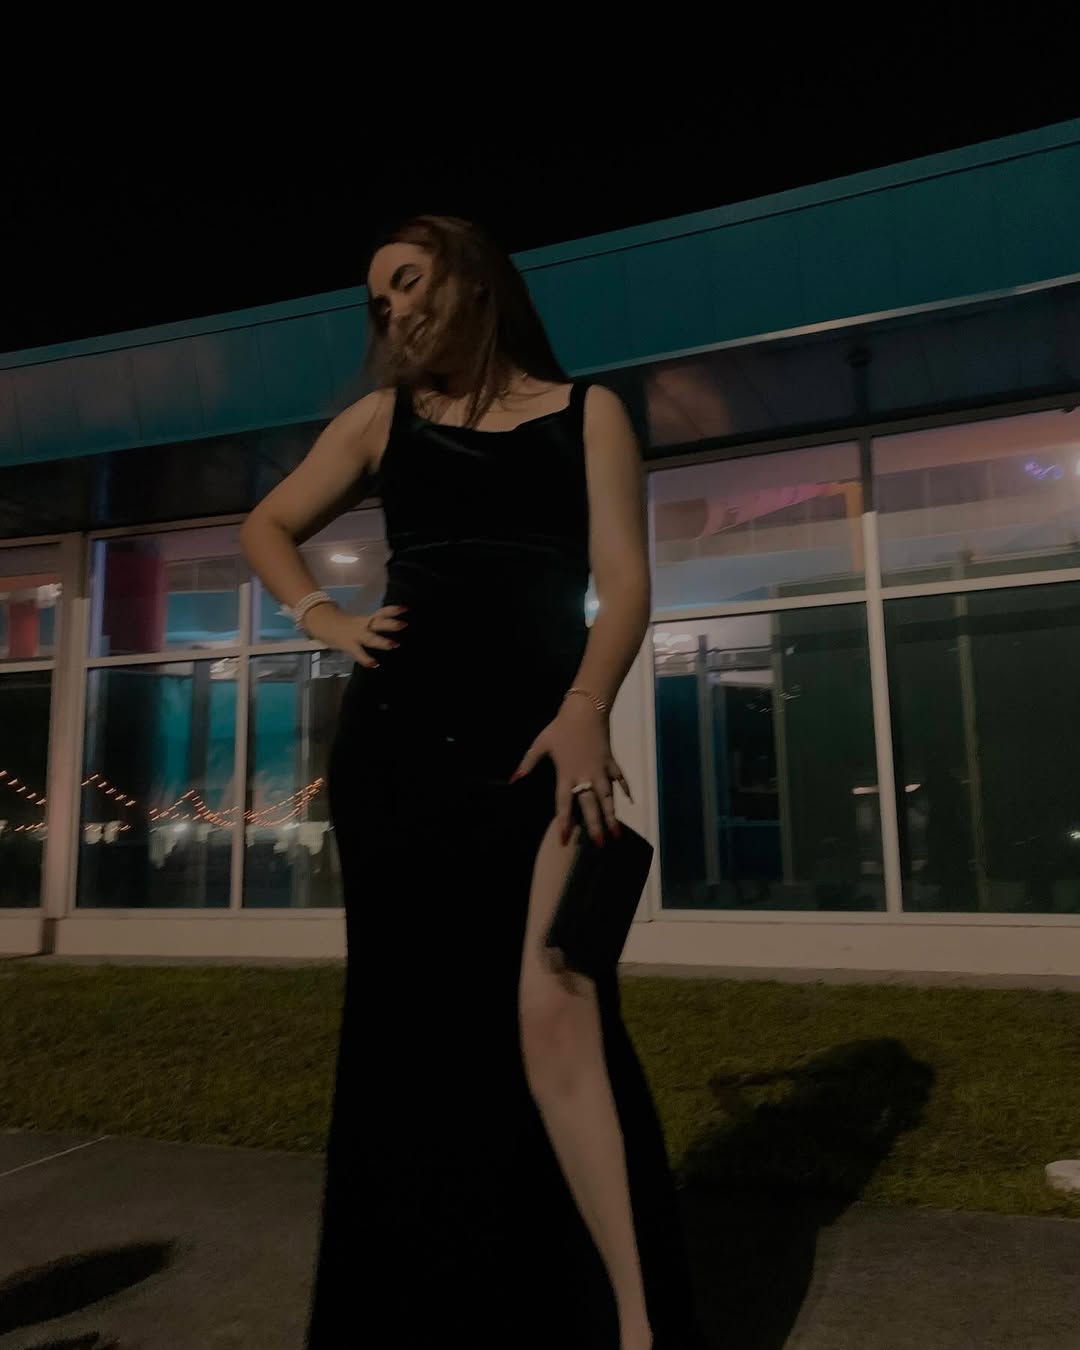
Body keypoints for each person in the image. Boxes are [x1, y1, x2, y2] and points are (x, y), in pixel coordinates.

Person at [241, 215, 706, 1350]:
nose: (394, 311)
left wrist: (585, 709)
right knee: (411, 1033)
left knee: (558, 1007)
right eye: (378, 301)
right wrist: (324, 618)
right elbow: (267, 523)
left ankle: (634, 1324)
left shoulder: (589, 413)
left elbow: (625, 585)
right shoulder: (382, 421)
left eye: (409, 282)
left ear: (474, 278)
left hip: (541, 739)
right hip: (396, 751)